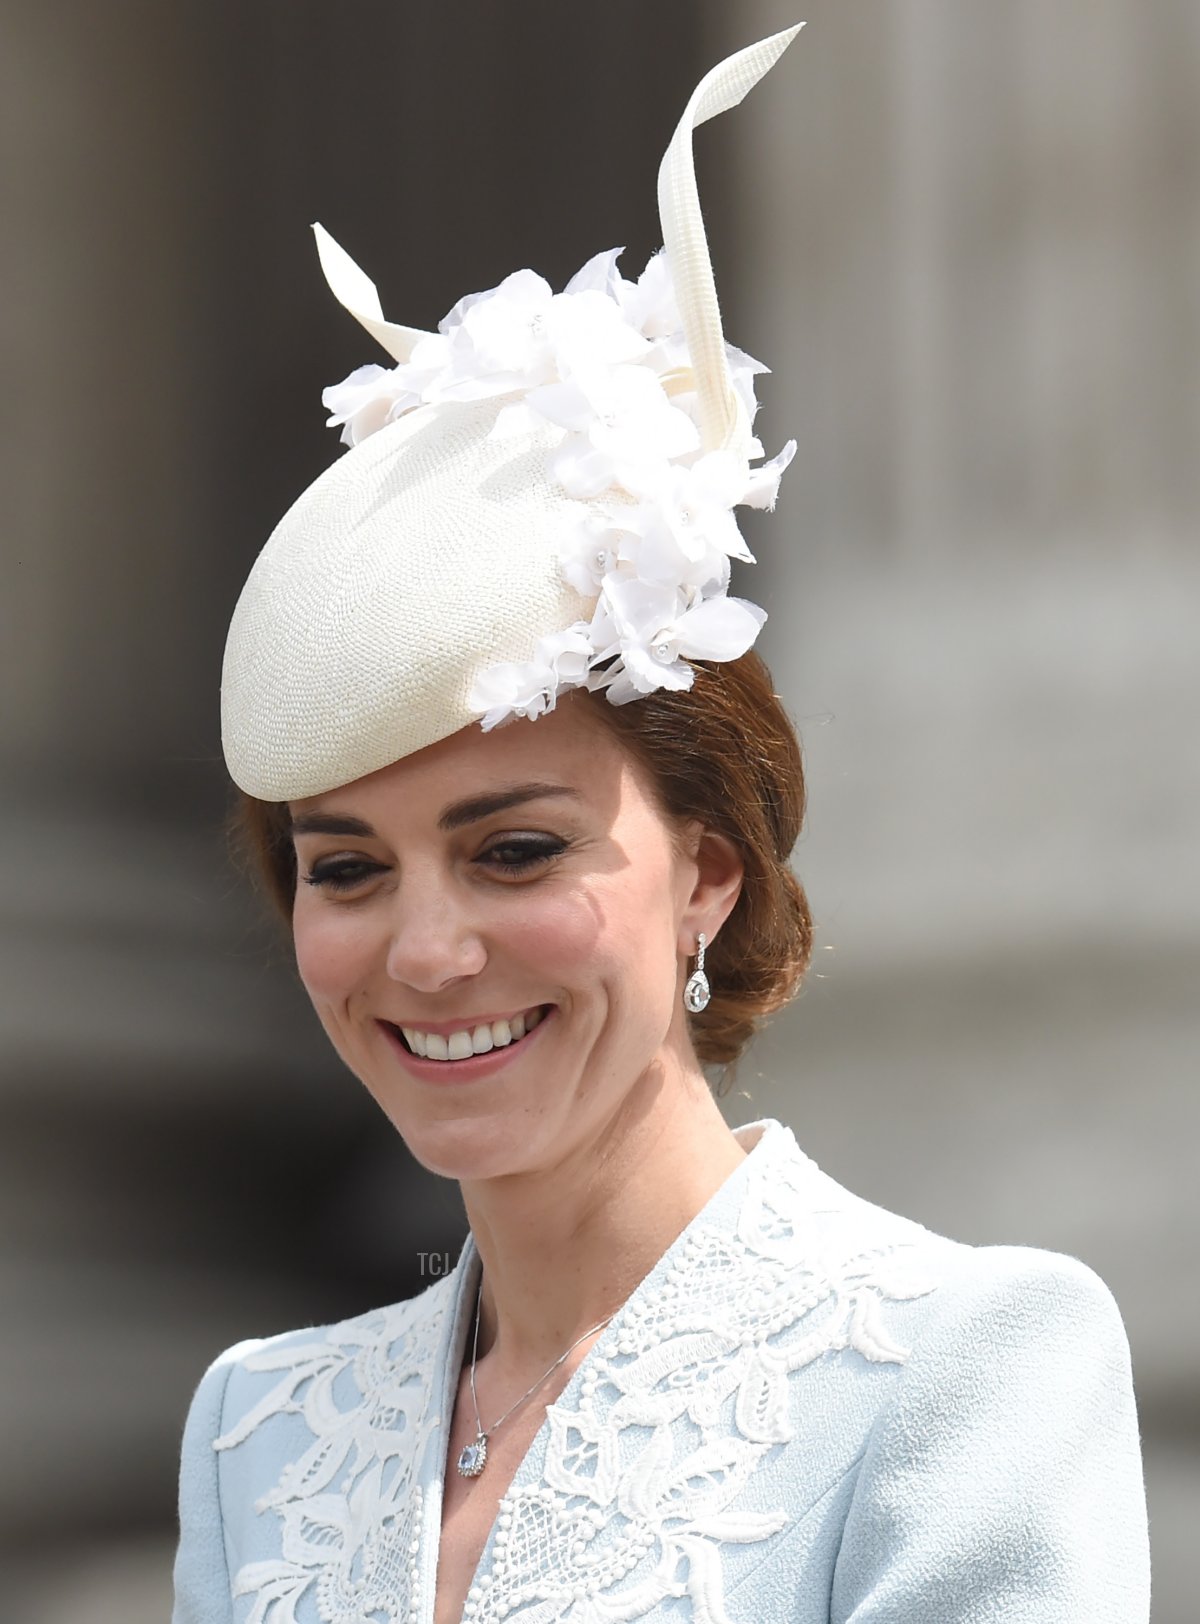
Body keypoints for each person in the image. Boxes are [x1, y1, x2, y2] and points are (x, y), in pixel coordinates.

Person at [172, 26, 1150, 1624]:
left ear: (708, 872)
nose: (427, 950)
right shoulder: (258, 1437)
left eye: (514, 850)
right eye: (345, 869)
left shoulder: (962, 1368)